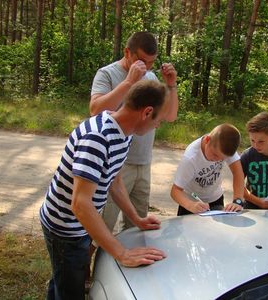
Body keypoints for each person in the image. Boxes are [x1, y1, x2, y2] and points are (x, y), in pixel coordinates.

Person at [40, 80, 168, 300]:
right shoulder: (98, 138)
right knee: (71, 289)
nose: (158, 126)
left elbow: (114, 181)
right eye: (159, 120)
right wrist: (122, 253)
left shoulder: (124, 132)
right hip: (65, 230)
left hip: (79, 226)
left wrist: (135, 218)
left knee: (64, 279)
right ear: (147, 112)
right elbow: (80, 204)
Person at [90, 31, 178, 232]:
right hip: (116, 165)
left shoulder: (151, 77)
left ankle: (128, 260)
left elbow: (170, 116)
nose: (146, 67)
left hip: (143, 162)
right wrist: (128, 82)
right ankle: (95, 263)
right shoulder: (107, 74)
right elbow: (95, 110)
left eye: (151, 62)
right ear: (127, 52)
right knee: (102, 227)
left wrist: (171, 85)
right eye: (141, 61)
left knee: (136, 228)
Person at [170, 123, 245, 215]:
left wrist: (238, 200)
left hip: (216, 199)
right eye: (215, 155)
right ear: (207, 140)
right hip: (190, 202)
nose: (217, 160)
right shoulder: (191, 158)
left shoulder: (224, 147)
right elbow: (175, 191)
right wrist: (190, 205)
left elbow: (238, 173)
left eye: (222, 158)